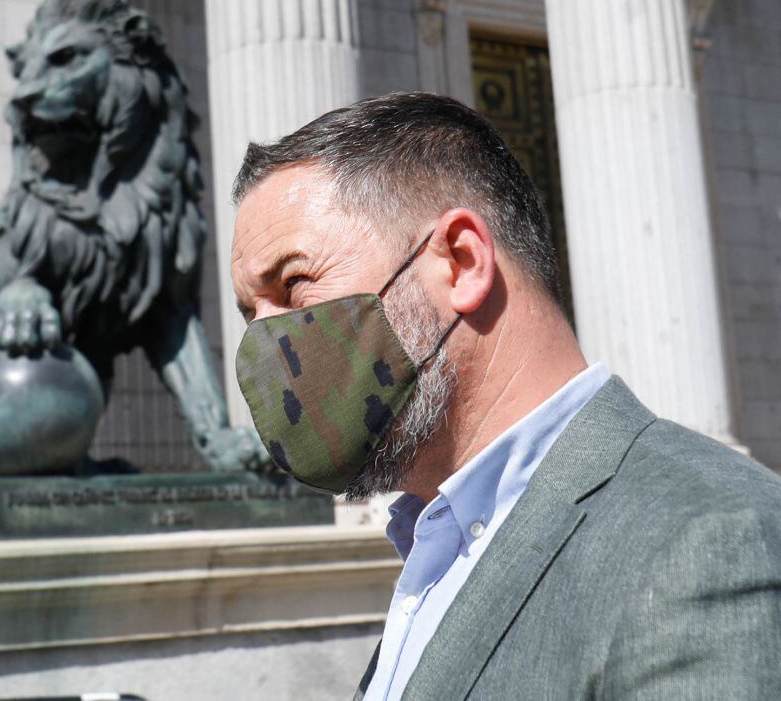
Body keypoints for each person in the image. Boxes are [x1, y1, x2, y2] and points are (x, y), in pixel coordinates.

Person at [229, 92, 781, 700]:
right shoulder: (437, 543)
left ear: (462, 262)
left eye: (295, 284)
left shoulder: (707, 544)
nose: (264, 343)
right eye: (249, 313)